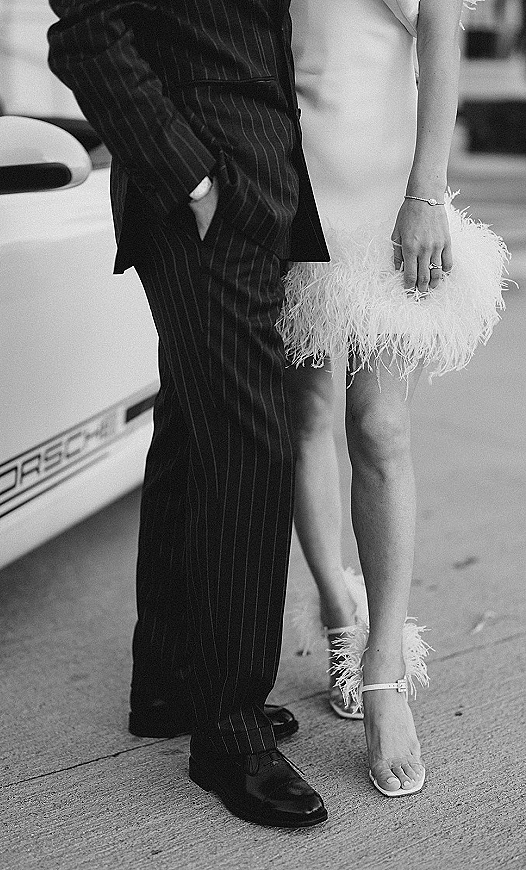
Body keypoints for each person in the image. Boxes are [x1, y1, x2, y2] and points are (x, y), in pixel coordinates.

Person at [47, 0, 331, 828]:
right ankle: (229, 732)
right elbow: (86, 34)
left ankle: (173, 684)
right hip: (208, 197)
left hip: (247, 187)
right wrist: (195, 179)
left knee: (192, 434)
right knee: (250, 452)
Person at [280, 0, 507, 797]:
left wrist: (427, 193)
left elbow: (440, 35)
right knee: (303, 416)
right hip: (285, 178)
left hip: (387, 190)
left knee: (379, 427)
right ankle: (341, 616)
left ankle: (384, 674)